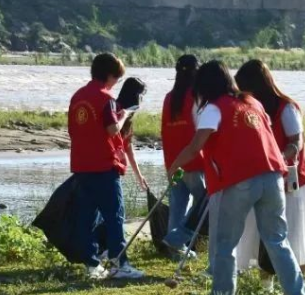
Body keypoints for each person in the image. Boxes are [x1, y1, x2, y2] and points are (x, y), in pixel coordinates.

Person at [167, 61, 305, 295]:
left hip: (237, 180)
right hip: (272, 177)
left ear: (204, 87)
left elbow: (195, 147)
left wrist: (173, 167)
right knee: (278, 241)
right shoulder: (253, 103)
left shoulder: (214, 108)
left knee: (225, 245)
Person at [234, 60, 305, 276]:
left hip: (293, 178)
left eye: (244, 88)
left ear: (256, 86)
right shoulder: (251, 109)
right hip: (265, 178)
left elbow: (296, 142)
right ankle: (266, 283)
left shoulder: (286, 108)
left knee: (295, 232)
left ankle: (302, 282)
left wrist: (278, 158)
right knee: (262, 231)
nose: (241, 94)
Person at [67, 53, 144, 280]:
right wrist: (125, 114)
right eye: (117, 78)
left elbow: (73, 130)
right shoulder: (106, 98)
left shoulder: (77, 96)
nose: (116, 83)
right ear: (110, 75)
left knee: (87, 217)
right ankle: (120, 263)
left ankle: (92, 265)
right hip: (103, 164)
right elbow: (112, 129)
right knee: (114, 215)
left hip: (81, 164)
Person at [161, 55, 207, 258]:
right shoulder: (197, 97)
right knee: (202, 205)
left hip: (173, 161)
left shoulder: (169, 97)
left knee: (177, 207)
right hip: (194, 160)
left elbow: (165, 132)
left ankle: (175, 250)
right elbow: (202, 129)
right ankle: (177, 239)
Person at [116, 77, 149, 193]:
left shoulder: (128, 117)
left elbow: (128, 148)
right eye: (140, 95)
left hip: (116, 171)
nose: (141, 99)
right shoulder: (115, 110)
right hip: (108, 170)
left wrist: (139, 176)